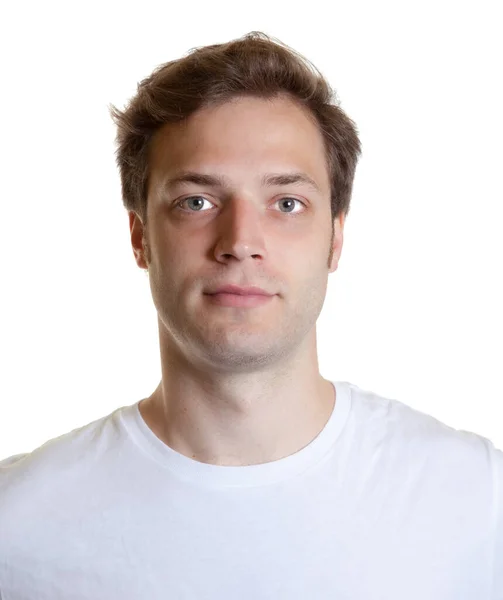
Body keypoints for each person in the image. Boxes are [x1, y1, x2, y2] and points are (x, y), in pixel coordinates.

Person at [0, 31, 501, 600]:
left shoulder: (478, 502)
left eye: (287, 203)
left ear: (335, 240)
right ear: (140, 237)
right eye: (197, 202)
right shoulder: (16, 527)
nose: (240, 242)